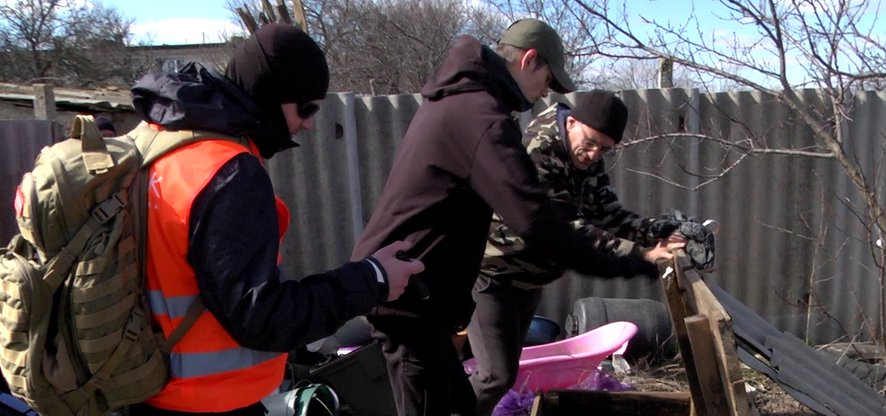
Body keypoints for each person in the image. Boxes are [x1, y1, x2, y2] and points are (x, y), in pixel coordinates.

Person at [350, 19, 661, 416]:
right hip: (408, 299)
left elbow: (583, 212)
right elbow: (537, 221)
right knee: (463, 392)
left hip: (422, 295)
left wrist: (650, 236)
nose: (545, 93)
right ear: (530, 60)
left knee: (463, 402)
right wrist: (637, 260)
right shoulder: (481, 117)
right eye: (548, 80)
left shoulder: (466, 103)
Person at [128, 23, 423, 415]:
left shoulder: (159, 145)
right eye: (306, 108)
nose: (309, 123)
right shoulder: (229, 173)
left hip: (144, 392)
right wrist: (374, 279)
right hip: (204, 402)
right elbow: (263, 316)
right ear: (272, 95)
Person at [469, 91, 686, 415]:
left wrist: (657, 232)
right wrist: (641, 256)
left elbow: (607, 213)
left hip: (530, 279)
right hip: (493, 274)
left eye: (605, 149)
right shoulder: (539, 151)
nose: (594, 153)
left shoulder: (586, 154)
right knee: (493, 376)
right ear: (570, 122)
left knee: (507, 373)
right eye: (590, 142)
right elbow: (567, 229)